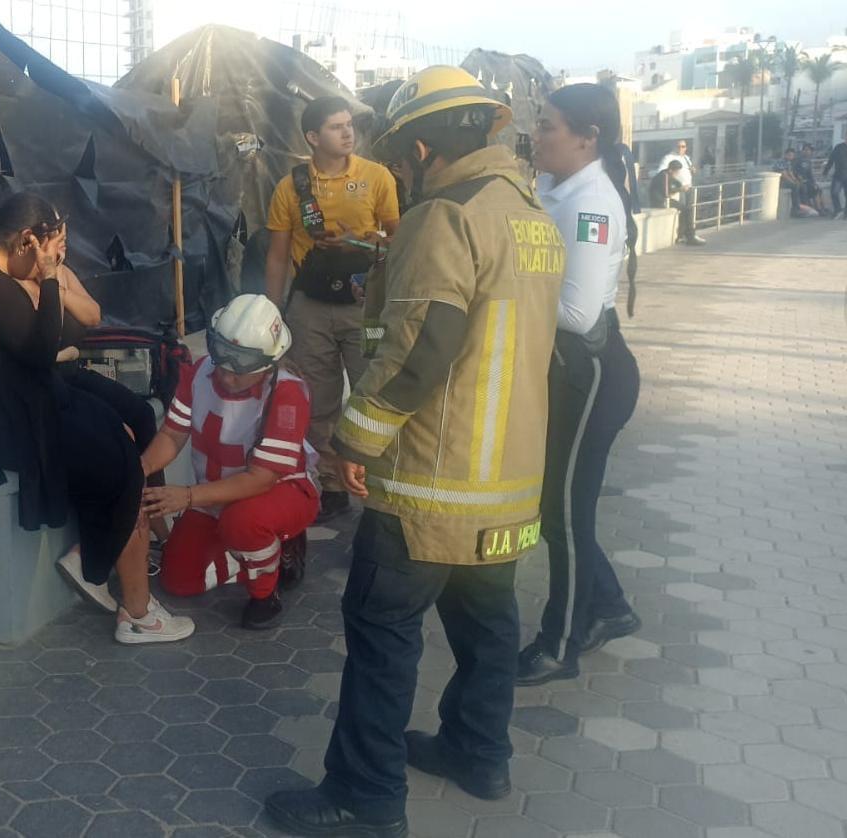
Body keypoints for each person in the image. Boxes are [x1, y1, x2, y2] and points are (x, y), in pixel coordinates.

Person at [265, 66, 564, 837]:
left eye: (401, 153)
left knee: (381, 629)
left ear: (423, 147)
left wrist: (354, 439)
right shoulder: (530, 214)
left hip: (434, 479)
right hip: (507, 482)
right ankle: (477, 752)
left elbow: (424, 345)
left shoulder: (445, 216)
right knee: (487, 621)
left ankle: (364, 798)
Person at [0, 193, 193, 644]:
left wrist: (53, 289)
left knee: (122, 439)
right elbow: (40, 350)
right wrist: (52, 278)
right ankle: (135, 611)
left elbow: (45, 346)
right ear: (26, 242)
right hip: (3, 421)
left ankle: (103, 568)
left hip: (28, 399)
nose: (52, 258)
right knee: (119, 459)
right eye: (47, 248)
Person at [516, 83, 645, 686]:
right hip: (568, 372)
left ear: (587, 138)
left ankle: (559, 644)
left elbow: (579, 313)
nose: (536, 135)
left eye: (547, 126)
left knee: (563, 514)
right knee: (557, 509)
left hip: (590, 373)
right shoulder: (552, 186)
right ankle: (612, 608)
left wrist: (505, 294)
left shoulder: (592, 203)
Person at [2, 223, 172, 610]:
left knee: (143, 415)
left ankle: (152, 516)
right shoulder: (10, 284)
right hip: (49, 382)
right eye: (56, 238)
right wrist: (47, 284)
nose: (63, 245)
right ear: (31, 241)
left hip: (74, 371)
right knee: (114, 440)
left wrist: (55, 279)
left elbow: (92, 315)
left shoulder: (58, 273)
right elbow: (43, 346)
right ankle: (108, 545)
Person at [141, 294, 319, 630]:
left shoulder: (287, 393)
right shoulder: (196, 373)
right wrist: (139, 469)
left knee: (243, 523)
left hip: (279, 491)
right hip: (212, 496)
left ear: (268, 362)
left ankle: (266, 591)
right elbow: (171, 436)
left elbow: (261, 479)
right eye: (222, 352)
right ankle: (253, 551)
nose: (226, 370)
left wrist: (188, 496)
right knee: (179, 581)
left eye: (241, 362)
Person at [264, 95, 400, 523]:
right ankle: (331, 482)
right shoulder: (292, 187)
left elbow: (398, 242)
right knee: (318, 399)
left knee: (372, 391)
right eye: (336, 127)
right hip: (311, 308)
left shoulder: (376, 177)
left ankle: (380, 481)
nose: (348, 133)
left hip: (367, 308)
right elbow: (277, 257)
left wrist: (356, 243)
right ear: (312, 137)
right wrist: (272, 314)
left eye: (349, 125)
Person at [649, 160, 704, 246]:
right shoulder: (664, 176)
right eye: (677, 171)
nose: (677, 173)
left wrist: (682, 186)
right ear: (671, 170)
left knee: (686, 209)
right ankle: (689, 236)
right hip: (660, 201)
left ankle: (681, 235)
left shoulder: (668, 174)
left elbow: (676, 183)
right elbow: (666, 193)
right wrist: (680, 189)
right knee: (686, 209)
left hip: (664, 200)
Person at [823, 130, 847, 220]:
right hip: (838, 175)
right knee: (834, 193)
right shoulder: (839, 147)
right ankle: (838, 210)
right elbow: (831, 159)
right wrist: (825, 171)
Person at [796, 144, 828, 215]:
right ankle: (818, 209)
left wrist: (814, 182)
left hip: (808, 181)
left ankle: (824, 207)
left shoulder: (808, 161)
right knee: (815, 190)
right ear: (802, 151)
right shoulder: (798, 160)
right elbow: (796, 173)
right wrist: (801, 180)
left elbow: (810, 174)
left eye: (809, 150)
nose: (807, 152)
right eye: (806, 150)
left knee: (819, 189)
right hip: (801, 182)